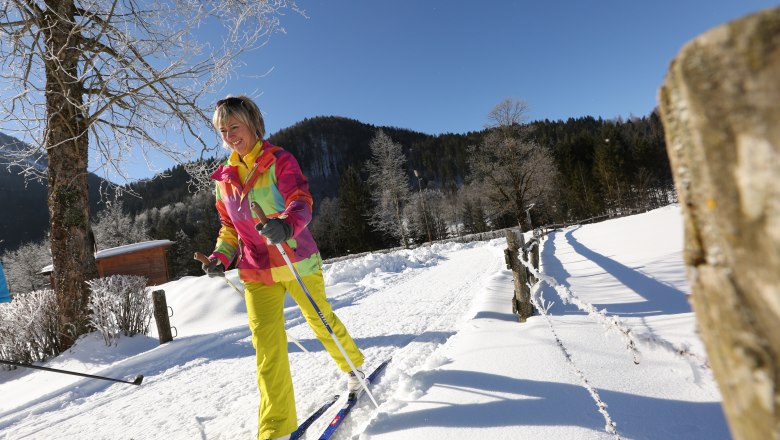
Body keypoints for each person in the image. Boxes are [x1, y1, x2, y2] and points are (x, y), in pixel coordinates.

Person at [202, 95, 366, 440]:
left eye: (235, 126)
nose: (230, 135)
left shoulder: (279, 161)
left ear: (253, 125)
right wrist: (220, 256)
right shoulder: (224, 178)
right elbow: (229, 227)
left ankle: (354, 369)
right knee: (267, 349)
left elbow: (301, 201)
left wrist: (287, 224)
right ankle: (276, 429)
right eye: (223, 130)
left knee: (321, 322)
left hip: (295, 260)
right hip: (256, 270)